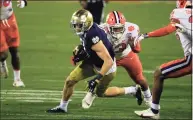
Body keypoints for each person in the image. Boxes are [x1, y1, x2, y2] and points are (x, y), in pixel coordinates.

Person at [46, 9, 116, 113]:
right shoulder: (88, 31)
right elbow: (90, 47)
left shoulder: (92, 36)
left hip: (106, 69)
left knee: (101, 93)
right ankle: (62, 107)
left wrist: (97, 78)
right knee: (70, 81)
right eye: (75, 25)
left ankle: (131, 90)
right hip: (93, 62)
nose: (76, 28)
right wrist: (81, 49)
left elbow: (108, 61)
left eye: (79, 25)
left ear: (87, 24)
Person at [132, 0, 192, 119]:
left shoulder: (180, 13)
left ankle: (154, 111)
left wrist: (146, 35)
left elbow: (169, 29)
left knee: (159, 73)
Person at [100, 11, 152, 106]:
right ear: (107, 27)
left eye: (120, 28)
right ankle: (132, 90)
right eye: (114, 29)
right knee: (99, 89)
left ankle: (149, 99)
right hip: (109, 60)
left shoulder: (131, 29)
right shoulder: (101, 30)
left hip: (127, 55)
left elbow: (137, 50)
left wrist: (134, 42)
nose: (117, 31)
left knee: (140, 79)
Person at [0, 0, 27, 87]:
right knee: (3, 54)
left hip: (10, 19)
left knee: (14, 50)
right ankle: (2, 61)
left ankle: (17, 79)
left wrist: (23, 2)